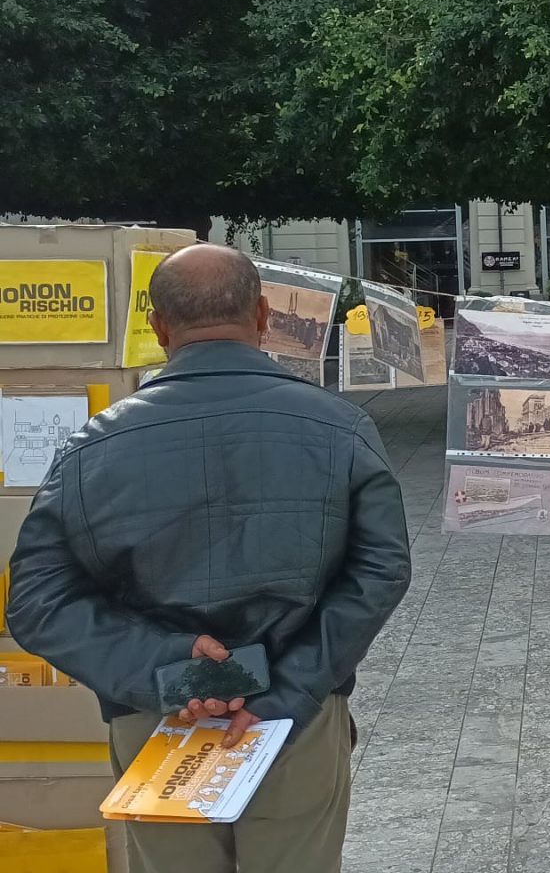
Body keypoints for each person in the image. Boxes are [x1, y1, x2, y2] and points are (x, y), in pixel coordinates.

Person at [6, 244, 412, 873]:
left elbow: (35, 602)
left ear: (159, 325)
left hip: (156, 718)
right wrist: (291, 688)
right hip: (293, 720)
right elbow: (381, 569)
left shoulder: (92, 446)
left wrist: (173, 667)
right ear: (265, 313)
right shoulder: (341, 427)